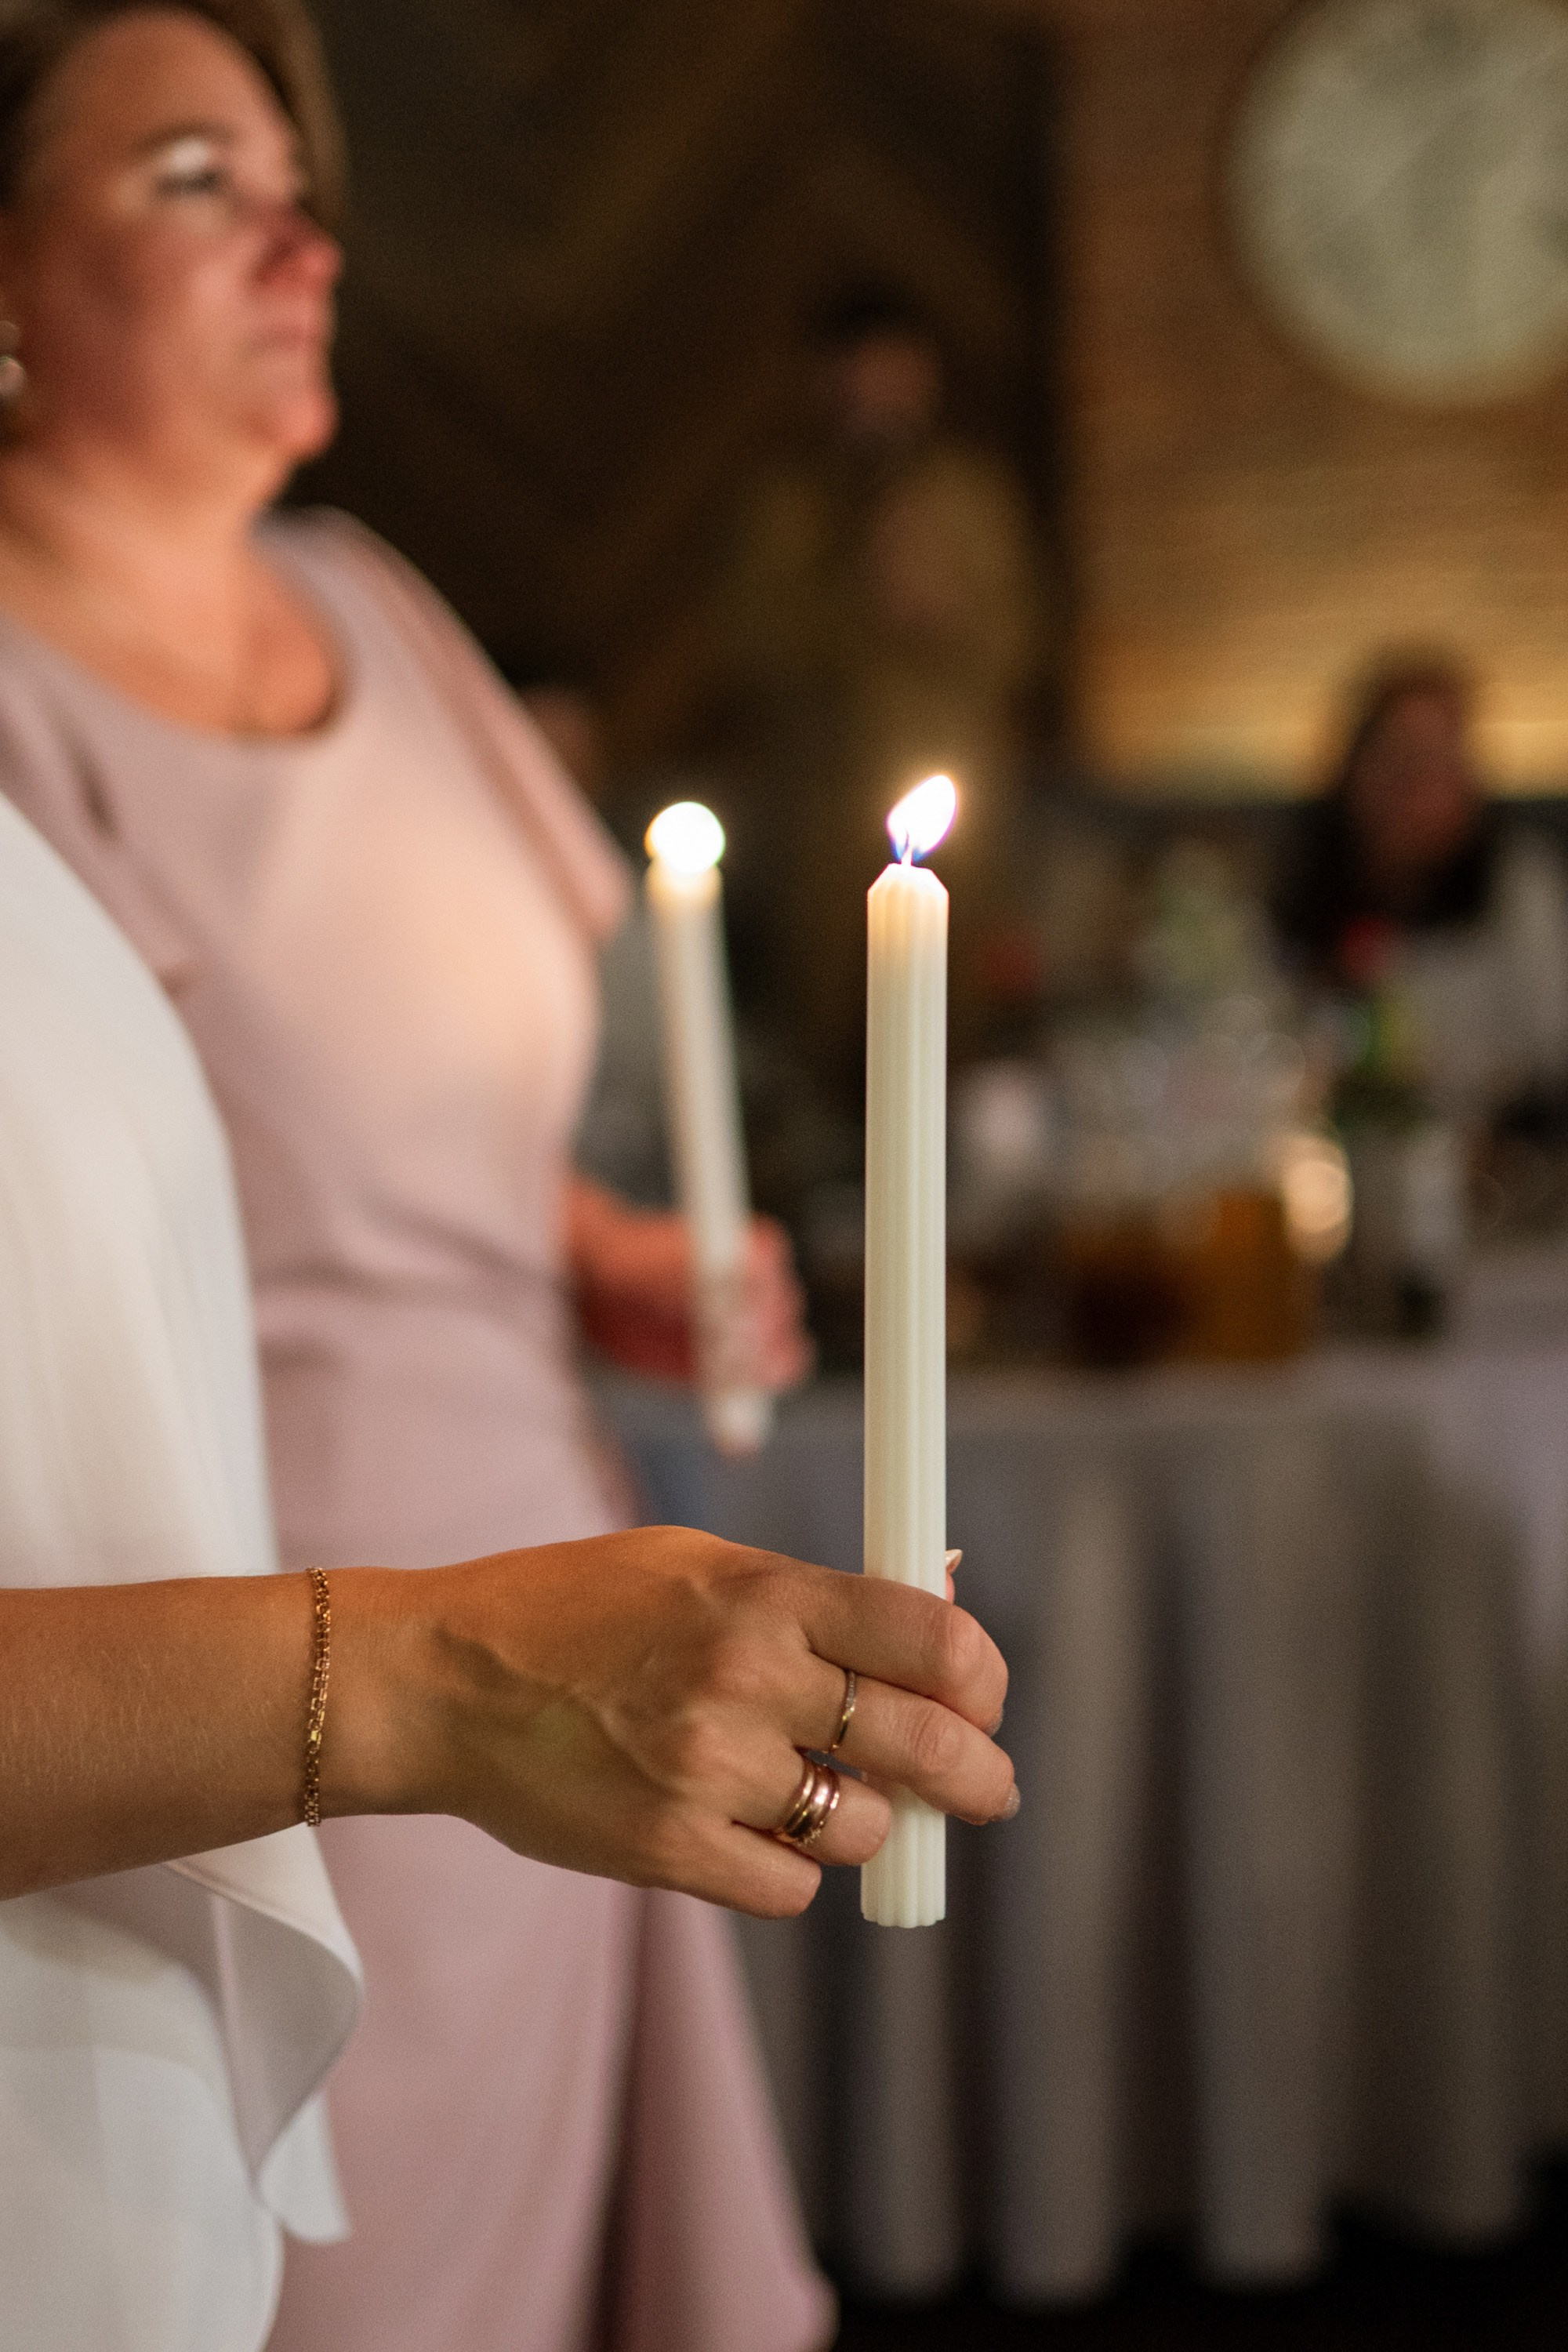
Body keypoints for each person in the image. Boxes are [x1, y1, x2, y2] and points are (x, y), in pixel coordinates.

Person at [0, 5, 933, 2347]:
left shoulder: (383, 610)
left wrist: (617, 1257)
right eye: (193, 177)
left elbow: (446, 1151)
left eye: (300, 180)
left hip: (577, 1560)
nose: (299, 230)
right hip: (275, 1637)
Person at [0, 782, 1015, 2352]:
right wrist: (442, 1676)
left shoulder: (366, 613)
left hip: (189, 1891)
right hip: (208, 1781)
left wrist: (572, 1247)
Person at [724, 282, 1051, 1093]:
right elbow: (751, 643)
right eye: (856, 379)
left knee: (951, 1045)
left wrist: (938, 607)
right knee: (829, 1053)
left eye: (893, 378)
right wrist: (849, 586)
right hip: (820, 832)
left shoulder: (971, 501)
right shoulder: (786, 508)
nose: (875, 401)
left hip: (960, 824)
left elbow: (1022, 643)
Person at [1274, 655, 1568, 1123]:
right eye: (1395, 758)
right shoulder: (1305, 888)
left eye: (1437, 761)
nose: (1413, 788)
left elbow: (1552, 1055)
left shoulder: (1518, 886)